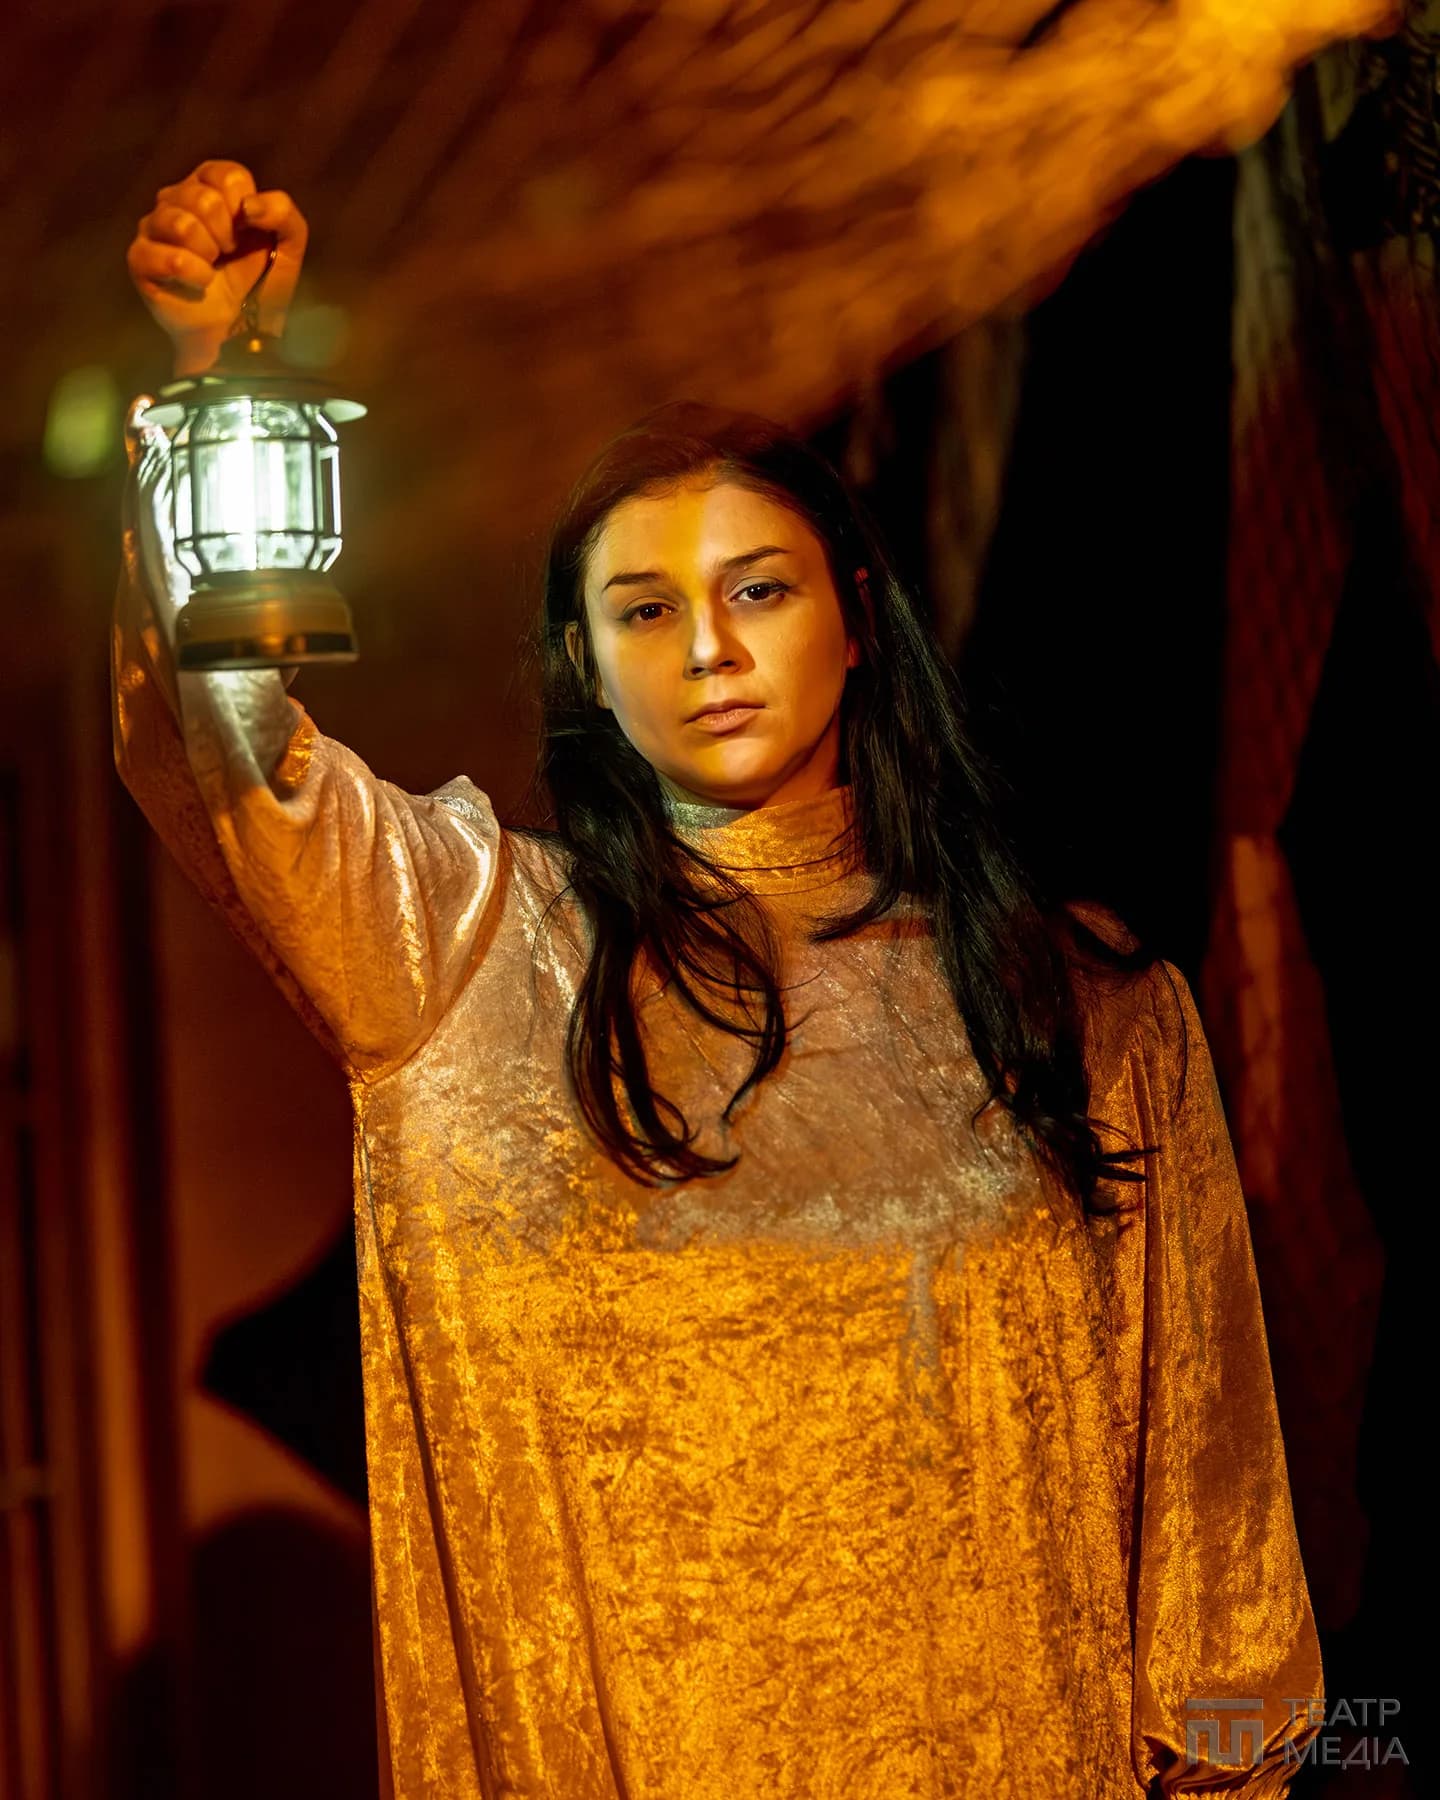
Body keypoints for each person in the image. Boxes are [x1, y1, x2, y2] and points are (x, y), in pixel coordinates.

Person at [119, 160, 1323, 1799]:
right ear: (584, 667)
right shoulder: (469, 950)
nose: (708, 647)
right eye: (644, 609)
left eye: (758, 588)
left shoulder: (1086, 1005)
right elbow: (228, 771)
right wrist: (213, 389)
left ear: (857, 618)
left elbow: (1221, 1566)